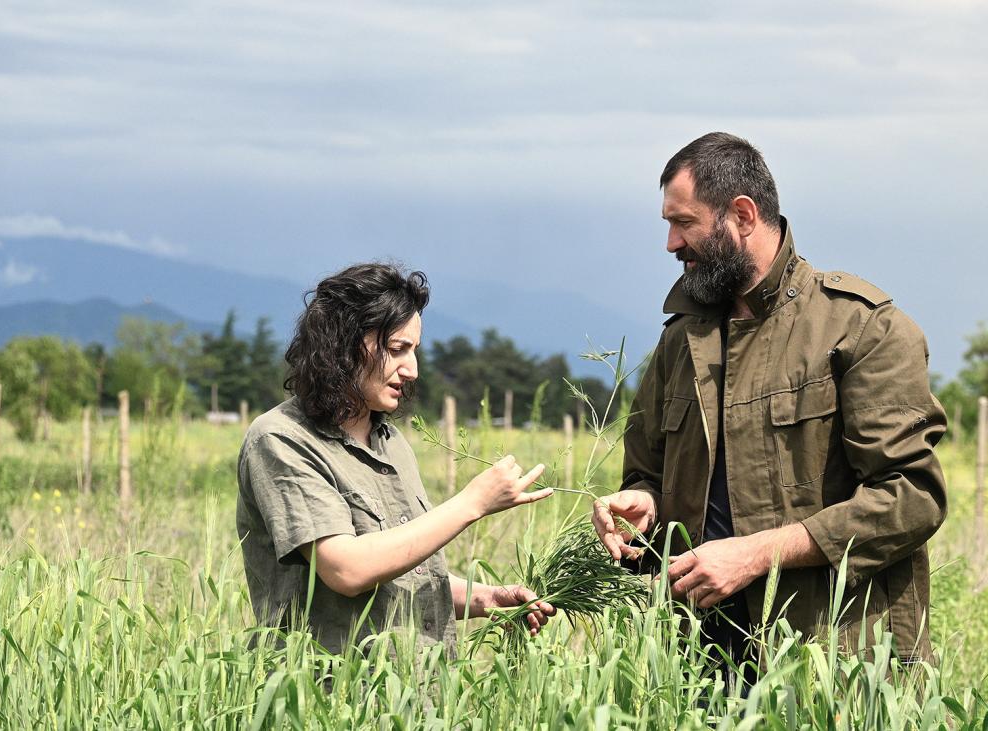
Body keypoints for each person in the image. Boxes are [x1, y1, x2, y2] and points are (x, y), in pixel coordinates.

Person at [593, 132, 948, 668]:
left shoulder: (860, 328)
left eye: (684, 222)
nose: (670, 242)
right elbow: (647, 476)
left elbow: (912, 498)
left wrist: (756, 556)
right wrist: (641, 511)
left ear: (741, 214)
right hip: (698, 660)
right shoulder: (681, 341)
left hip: (831, 659)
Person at [237, 263, 556, 657]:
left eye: (414, 350)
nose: (412, 369)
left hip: (419, 696)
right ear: (341, 345)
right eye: (396, 349)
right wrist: (471, 504)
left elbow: (398, 575)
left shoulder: (391, 442)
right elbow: (347, 570)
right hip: (333, 699)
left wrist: (482, 599)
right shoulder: (282, 439)